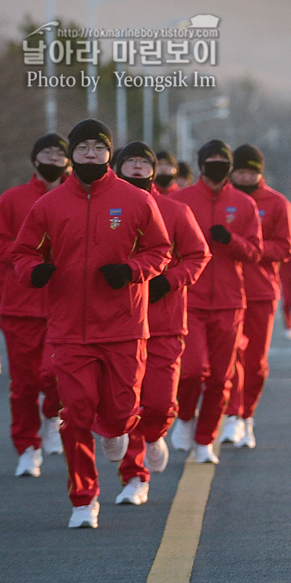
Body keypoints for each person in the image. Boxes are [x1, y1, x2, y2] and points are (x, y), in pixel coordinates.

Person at [12, 119, 171, 528]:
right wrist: (34, 271)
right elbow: (22, 251)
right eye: (81, 148)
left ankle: (119, 430)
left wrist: (133, 271)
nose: (89, 155)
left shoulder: (134, 199)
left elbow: (160, 250)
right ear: (72, 154)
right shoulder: (48, 204)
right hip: (69, 329)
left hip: (123, 325)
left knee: (119, 410)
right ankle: (84, 500)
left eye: (97, 148)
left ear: (108, 153)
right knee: (77, 412)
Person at [113, 141, 210, 505]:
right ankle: (134, 477)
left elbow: (199, 255)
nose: (137, 167)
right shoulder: (105, 208)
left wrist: (168, 281)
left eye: (144, 161)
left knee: (157, 402)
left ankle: (156, 434)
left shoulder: (174, 210)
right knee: (126, 404)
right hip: (118, 325)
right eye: (130, 161)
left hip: (165, 321)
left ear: (154, 169)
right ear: (118, 166)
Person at [170, 139, 262, 464]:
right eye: (211, 160)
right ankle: (183, 417)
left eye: (223, 161)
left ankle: (204, 440)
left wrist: (231, 240)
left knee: (222, 378)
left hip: (229, 301)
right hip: (190, 300)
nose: (217, 165)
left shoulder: (244, 204)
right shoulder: (179, 202)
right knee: (193, 370)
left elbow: (255, 252)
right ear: (200, 164)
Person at [0, 133, 69, 477]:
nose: (52, 158)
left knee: (53, 375)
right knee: (23, 383)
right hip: (20, 305)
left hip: (65, 305)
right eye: (46, 152)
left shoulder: (76, 198)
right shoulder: (13, 199)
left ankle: (53, 416)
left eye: (59, 153)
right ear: (35, 158)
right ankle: (27, 447)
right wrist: (31, 260)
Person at [221, 144, 291, 449]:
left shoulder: (276, 203)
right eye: (240, 171)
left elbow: (285, 247)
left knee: (255, 362)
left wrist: (248, 248)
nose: (246, 176)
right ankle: (231, 415)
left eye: (251, 171)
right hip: (225, 292)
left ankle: (246, 415)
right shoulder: (221, 201)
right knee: (228, 357)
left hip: (261, 292)